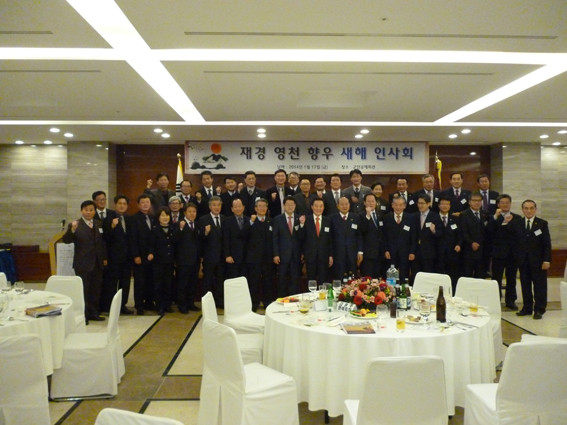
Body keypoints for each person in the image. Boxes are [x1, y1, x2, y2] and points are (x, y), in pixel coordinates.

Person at [62, 200, 107, 322]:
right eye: (86, 210)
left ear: (94, 211)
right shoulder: (76, 224)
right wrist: (72, 230)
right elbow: (66, 240)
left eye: (91, 210)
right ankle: (83, 315)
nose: (88, 212)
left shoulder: (98, 224)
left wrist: (104, 258)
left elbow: (102, 243)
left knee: (95, 290)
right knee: (83, 291)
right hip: (82, 264)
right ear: (81, 211)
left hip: (97, 263)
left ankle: (93, 313)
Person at [513, 200, 552, 320]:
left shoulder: (542, 224)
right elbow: (514, 243)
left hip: (538, 262)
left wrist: (547, 260)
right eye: (526, 208)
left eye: (531, 208)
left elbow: (546, 244)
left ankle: (539, 309)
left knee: (539, 286)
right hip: (523, 261)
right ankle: (527, 308)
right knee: (525, 285)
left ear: (535, 209)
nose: (529, 211)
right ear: (522, 210)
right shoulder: (517, 223)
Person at [101, 194, 133, 315]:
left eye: (124, 204)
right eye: (120, 203)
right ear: (115, 204)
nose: (122, 206)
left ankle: (122, 305)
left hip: (127, 258)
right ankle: (110, 306)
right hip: (113, 258)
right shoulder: (108, 219)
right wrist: (112, 227)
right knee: (112, 283)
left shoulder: (129, 219)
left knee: (125, 283)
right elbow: (105, 238)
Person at [487, 194, 520, 310]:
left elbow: (518, 235)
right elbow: (489, 231)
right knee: (496, 278)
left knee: (512, 279)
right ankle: (495, 300)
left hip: (512, 254)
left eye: (507, 203)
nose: (505, 205)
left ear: (510, 204)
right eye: (502, 203)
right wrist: (497, 218)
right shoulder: (494, 217)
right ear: (498, 204)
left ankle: (511, 301)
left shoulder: (517, 218)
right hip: (498, 253)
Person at [245, 198, 274, 310]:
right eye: (260, 206)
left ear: (267, 208)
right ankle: (254, 303)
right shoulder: (250, 221)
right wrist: (251, 223)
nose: (262, 208)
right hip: (254, 258)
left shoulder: (271, 221)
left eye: (264, 206)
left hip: (268, 258)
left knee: (268, 282)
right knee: (254, 282)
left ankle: (268, 303)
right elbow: (243, 235)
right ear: (255, 208)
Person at [129, 194, 156, 315]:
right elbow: (132, 239)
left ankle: (149, 302)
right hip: (139, 256)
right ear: (138, 205)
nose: (145, 204)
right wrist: (136, 255)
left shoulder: (152, 217)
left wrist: (152, 252)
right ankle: (139, 305)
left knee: (150, 281)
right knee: (140, 282)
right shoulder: (134, 219)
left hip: (151, 256)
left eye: (147, 202)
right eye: (143, 202)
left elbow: (153, 238)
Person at [272, 196, 305, 296]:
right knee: (282, 279)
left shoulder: (300, 219)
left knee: (295, 280)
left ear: (295, 206)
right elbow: (275, 238)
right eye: (288, 205)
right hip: (282, 256)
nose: (290, 207)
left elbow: (303, 238)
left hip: (296, 255)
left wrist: (302, 252)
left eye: (292, 205)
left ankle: (294, 300)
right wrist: (276, 254)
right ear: (284, 206)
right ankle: (282, 299)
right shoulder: (277, 219)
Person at [172, 203, 201, 313]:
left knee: (192, 283)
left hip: (195, 260)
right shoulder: (179, 224)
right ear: (184, 213)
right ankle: (182, 305)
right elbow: (174, 240)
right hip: (183, 261)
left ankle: (190, 303)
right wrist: (180, 229)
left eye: (194, 211)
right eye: (190, 211)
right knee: (182, 284)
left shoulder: (197, 224)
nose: (192, 214)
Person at [198, 195, 225, 307]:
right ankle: (207, 303)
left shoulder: (224, 219)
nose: (216, 207)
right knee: (207, 281)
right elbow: (199, 239)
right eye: (214, 205)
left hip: (222, 257)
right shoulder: (203, 219)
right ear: (210, 206)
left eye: (218, 205)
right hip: (209, 256)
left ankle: (219, 301)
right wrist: (205, 233)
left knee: (220, 280)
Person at [147, 207, 175, 315]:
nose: (165, 217)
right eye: (162, 215)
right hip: (158, 261)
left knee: (168, 284)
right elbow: (151, 244)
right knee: (158, 284)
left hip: (170, 261)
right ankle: (159, 306)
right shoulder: (154, 230)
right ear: (158, 217)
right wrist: (150, 253)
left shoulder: (173, 229)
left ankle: (167, 305)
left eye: (167, 215)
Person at [383, 195, 416, 284]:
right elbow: (384, 236)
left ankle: (404, 290)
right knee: (391, 277)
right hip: (391, 253)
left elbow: (414, 237)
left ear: (404, 206)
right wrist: (386, 250)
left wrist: (412, 252)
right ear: (392, 205)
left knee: (404, 276)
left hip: (406, 253)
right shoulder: (386, 218)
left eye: (401, 205)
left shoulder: (411, 218)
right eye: (396, 204)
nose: (398, 207)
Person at [300, 198, 333, 283]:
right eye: (316, 206)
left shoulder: (328, 220)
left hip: (324, 257)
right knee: (311, 281)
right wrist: (301, 225)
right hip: (310, 257)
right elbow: (301, 238)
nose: (318, 208)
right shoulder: (306, 220)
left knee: (323, 281)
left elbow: (330, 240)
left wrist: (330, 255)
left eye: (321, 206)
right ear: (312, 207)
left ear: (324, 207)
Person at [330, 197, 362, 279]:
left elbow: (359, 236)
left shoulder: (356, 217)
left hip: (352, 254)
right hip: (338, 255)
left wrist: (360, 252)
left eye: (346, 204)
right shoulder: (332, 218)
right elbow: (330, 239)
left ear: (349, 205)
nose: (344, 206)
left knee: (352, 279)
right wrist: (330, 255)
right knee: (339, 278)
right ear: (337, 206)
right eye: (342, 204)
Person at [435, 196, 462, 293]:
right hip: (437, 253)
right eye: (442, 204)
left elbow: (460, 234)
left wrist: (459, 244)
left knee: (453, 276)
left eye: (447, 204)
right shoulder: (433, 218)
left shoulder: (455, 219)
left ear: (450, 206)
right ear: (439, 205)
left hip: (452, 253)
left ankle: (452, 294)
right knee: (439, 276)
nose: (445, 206)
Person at [412, 194, 443, 278]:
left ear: (429, 204)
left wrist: (434, 231)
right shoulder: (414, 216)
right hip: (416, 252)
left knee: (428, 275)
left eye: (422, 203)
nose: (420, 205)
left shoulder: (435, 216)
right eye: (419, 203)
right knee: (416, 275)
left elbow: (440, 233)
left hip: (429, 253)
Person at [460, 192, 488, 278]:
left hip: (482, 251)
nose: (477, 203)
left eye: (479, 201)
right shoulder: (464, 214)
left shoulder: (485, 214)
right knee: (467, 276)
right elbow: (463, 232)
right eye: (474, 200)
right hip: (468, 251)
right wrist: (471, 243)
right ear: (469, 202)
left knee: (480, 276)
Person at [222, 198, 250, 278]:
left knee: (245, 279)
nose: (238, 209)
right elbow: (226, 239)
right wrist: (227, 255)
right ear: (232, 209)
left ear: (243, 207)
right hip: (233, 257)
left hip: (247, 257)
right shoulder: (227, 221)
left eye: (239, 206)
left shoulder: (249, 220)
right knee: (233, 279)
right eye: (235, 207)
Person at [359, 193, 384, 278]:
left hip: (380, 253)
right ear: (364, 203)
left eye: (373, 201)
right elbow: (362, 231)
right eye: (368, 201)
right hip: (367, 253)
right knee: (367, 278)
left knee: (378, 278)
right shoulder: (360, 215)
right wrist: (368, 215)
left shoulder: (380, 214)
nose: (371, 203)